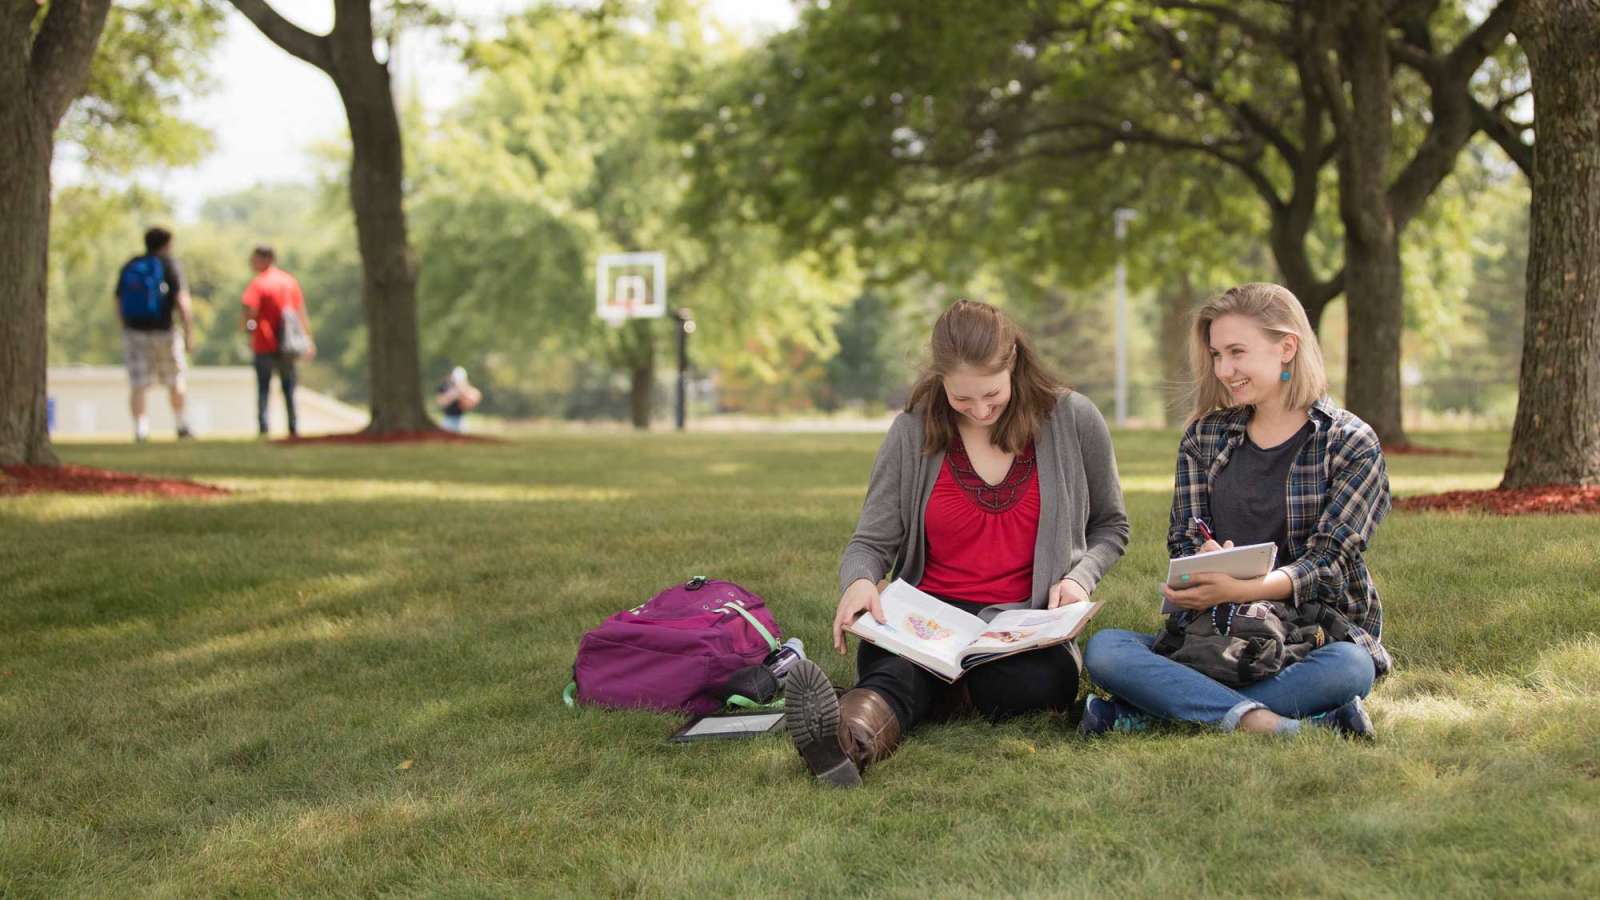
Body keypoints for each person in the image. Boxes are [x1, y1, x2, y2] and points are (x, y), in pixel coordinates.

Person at [784, 299, 1130, 788]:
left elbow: (1112, 526)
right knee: (895, 666)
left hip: (1019, 625)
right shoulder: (912, 431)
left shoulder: (1073, 419)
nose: (981, 410)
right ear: (939, 380)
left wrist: (1079, 578)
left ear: (1014, 365)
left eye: (992, 394)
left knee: (1042, 680)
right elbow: (871, 540)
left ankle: (907, 700)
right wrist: (859, 581)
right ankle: (843, 743)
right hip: (925, 619)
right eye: (962, 399)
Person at [1082, 282, 1391, 739]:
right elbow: (1184, 539)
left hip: (1309, 635)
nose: (1224, 369)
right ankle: (1286, 725)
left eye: (1237, 352)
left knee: (1350, 666)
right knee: (1106, 650)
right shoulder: (1203, 438)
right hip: (1217, 634)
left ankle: (1152, 712)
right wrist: (1204, 560)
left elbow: (1330, 564)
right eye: (1216, 355)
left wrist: (1244, 586)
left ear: (1286, 347)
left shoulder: (1349, 443)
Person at [115, 227, 194, 441]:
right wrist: (188, 332)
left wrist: (125, 328)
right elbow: (182, 301)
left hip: (134, 331)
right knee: (175, 378)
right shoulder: (170, 265)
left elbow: (118, 301)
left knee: (138, 383)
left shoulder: (131, 265)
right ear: (166, 244)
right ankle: (181, 424)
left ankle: (141, 428)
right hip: (164, 331)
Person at [241, 246, 314, 438]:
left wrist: (248, 330)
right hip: (288, 345)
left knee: (263, 387)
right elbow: (301, 312)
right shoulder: (289, 282)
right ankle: (293, 426)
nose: (252, 263)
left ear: (266, 259)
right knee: (289, 387)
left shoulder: (258, 283)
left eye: (254, 259)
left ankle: (264, 427)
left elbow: (250, 312)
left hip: (264, 342)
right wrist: (308, 339)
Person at [435, 366, 482, 432]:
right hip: (448, 419)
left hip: (460, 420)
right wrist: (454, 393)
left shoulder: (467, 388)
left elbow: (470, 402)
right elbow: (441, 402)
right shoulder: (445, 387)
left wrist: (462, 393)